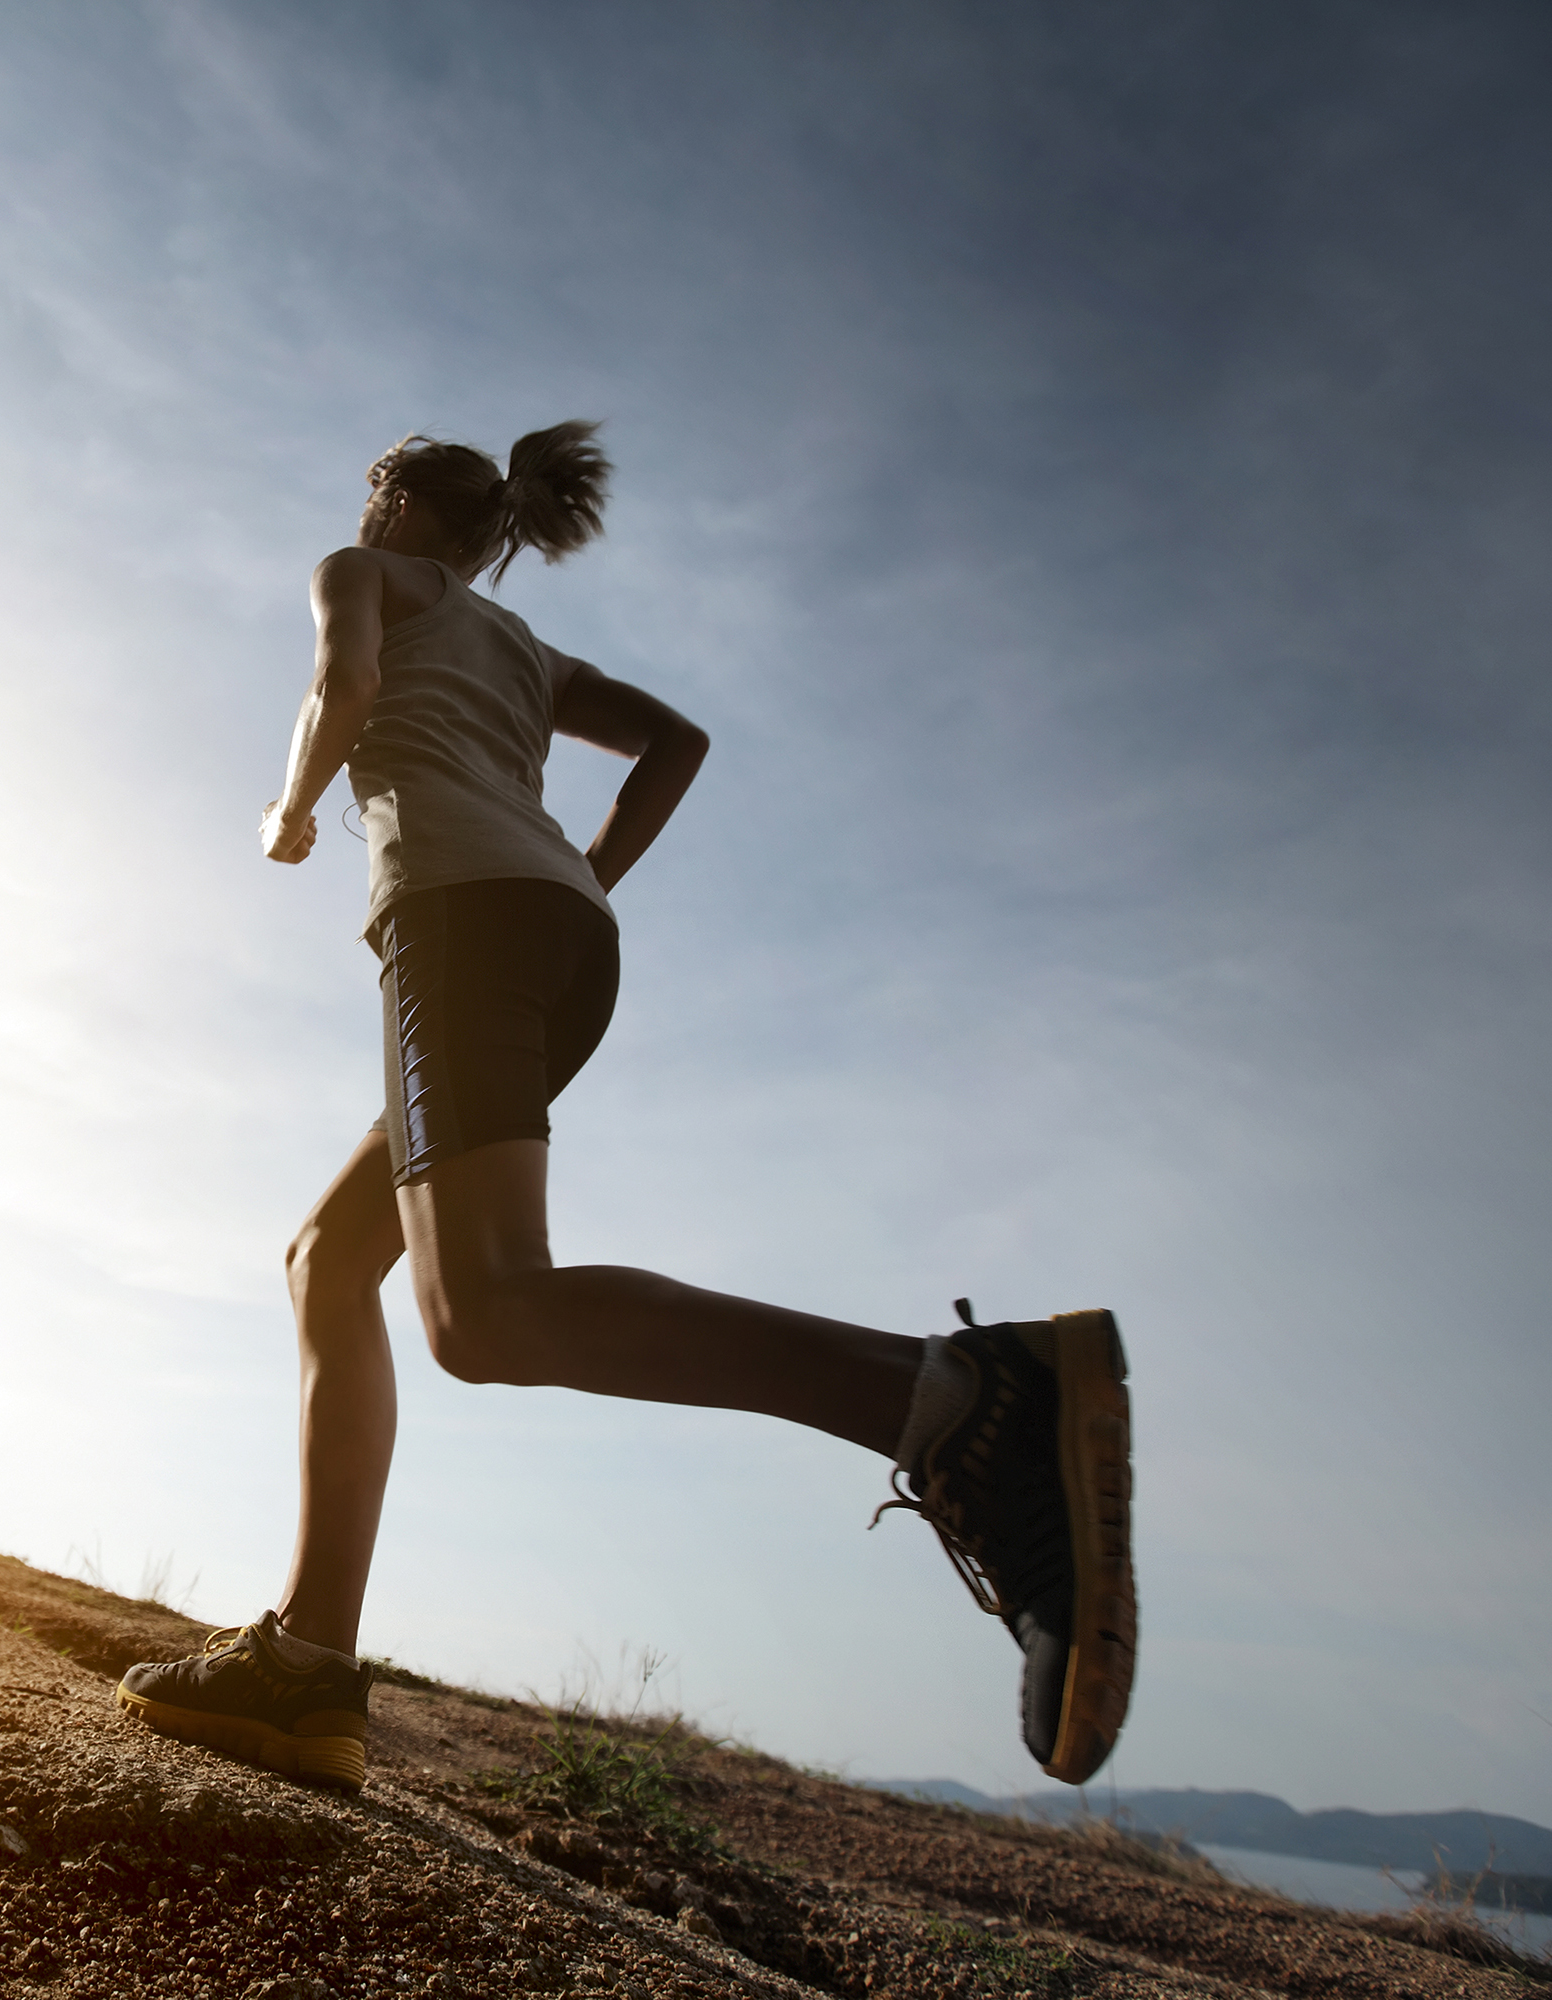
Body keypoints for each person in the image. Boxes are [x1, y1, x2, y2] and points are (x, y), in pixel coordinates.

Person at [116, 424, 1136, 1793]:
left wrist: (290, 808)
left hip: (464, 927)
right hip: (561, 942)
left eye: (372, 496)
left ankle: (960, 1400)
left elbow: (340, 679)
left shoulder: (361, 574)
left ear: (396, 502)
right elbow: (675, 741)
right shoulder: (528, 653)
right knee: (330, 1258)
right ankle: (305, 1668)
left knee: (483, 1310)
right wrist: (583, 873)